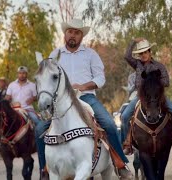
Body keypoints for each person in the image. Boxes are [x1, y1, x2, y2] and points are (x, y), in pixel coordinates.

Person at [49, 18, 133, 179]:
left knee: (108, 124)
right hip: (62, 100)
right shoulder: (55, 55)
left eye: (77, 33)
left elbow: (100, 78)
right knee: (40, 128)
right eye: (70, 32)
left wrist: (82, 86)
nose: (73, 35)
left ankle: (120, 163)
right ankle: (45, 169)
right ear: (65, 34)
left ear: (82, 36)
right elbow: (49, 78)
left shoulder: (91, 54)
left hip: (86, 97)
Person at [121, 38, 172, 152]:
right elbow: (127, 56)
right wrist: (133, 41)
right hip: (140, 96)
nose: (143, 55)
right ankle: (127, 142)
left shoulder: (159, 66)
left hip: (157, 96)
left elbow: (166, 82)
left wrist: (154, 82)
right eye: (141, 53)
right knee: (125, 116)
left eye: (145, 52)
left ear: (150, 52)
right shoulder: (137, 64)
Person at [5, 66, 51, 179]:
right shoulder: (12, 85)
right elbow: (8, 96)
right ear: (18, 74)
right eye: (20, 73)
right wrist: (5, 101)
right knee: (4, 123)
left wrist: (32, 99)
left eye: (24, 73)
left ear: (26, 74)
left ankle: (39, 142)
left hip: (27, 109)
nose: (22, 75)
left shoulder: (31, 85)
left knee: (38, 123)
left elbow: (36, 96)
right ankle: (2, 143)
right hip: (15, 109)